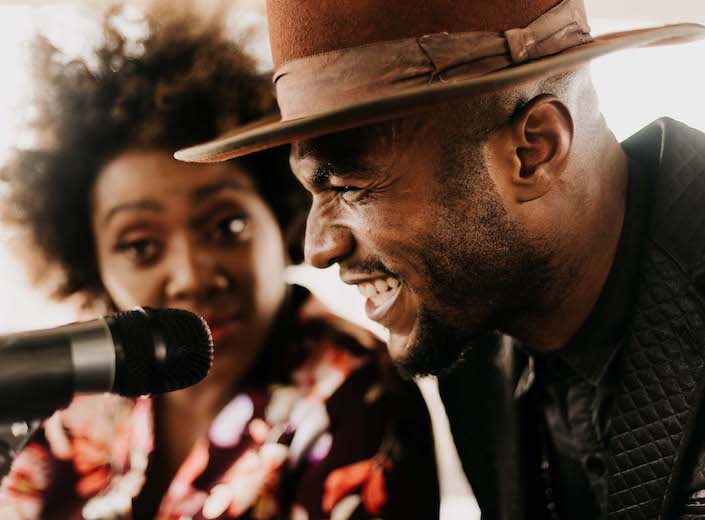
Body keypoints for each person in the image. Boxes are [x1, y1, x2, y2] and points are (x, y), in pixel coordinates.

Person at [173, 0, 705, 518]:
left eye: (348, 184)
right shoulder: (471, 340)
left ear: (533, 151)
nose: (317, 248)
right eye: (312, 191)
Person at [0, 5, 439, 520]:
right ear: (90, 260)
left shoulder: (353, 394)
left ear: (280, 217)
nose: (192, 278)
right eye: (140, 245)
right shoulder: (73, 386)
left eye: (227, 226)